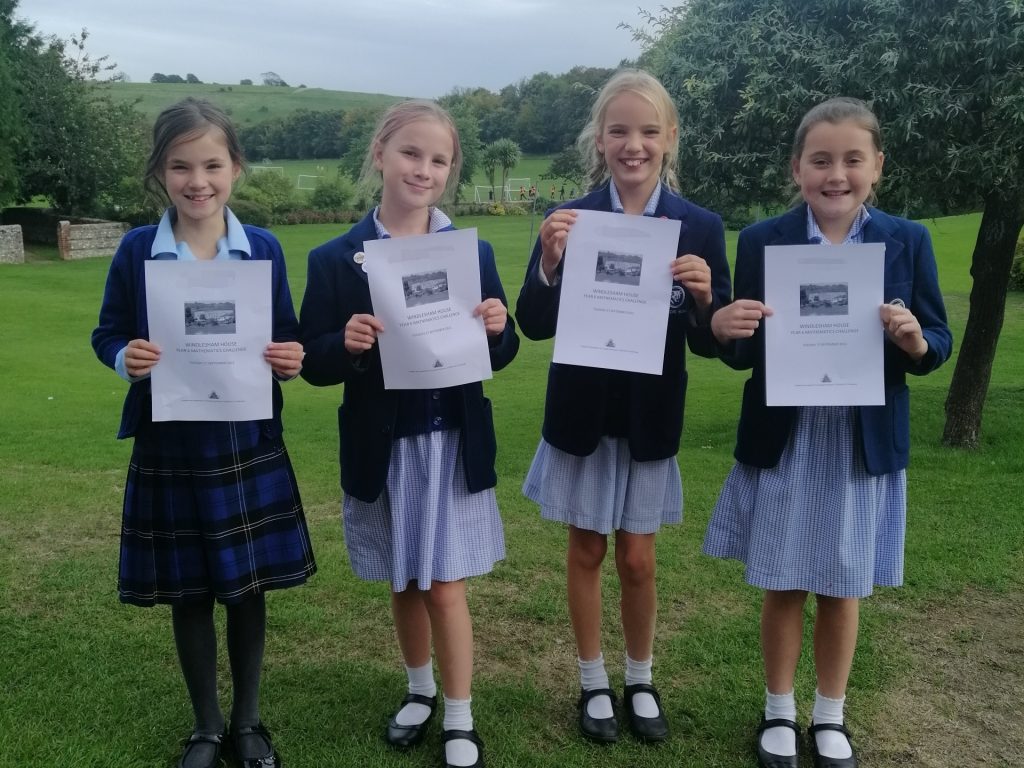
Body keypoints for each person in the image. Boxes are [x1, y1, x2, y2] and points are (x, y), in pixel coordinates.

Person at [704, 97, 952, 768]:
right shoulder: (762, 240)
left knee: (844, 583)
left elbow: (938, 339)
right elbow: (744, 348)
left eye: (851, 159)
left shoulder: (907, 240)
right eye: (820, 160)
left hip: (860, 441)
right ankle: (779, 710)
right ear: (797, 168)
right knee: (783, 579)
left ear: (877, 165)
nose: (835, 174)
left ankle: (830, 715)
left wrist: (915, 340)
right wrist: (725, 329)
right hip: (788, 435)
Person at [91, 97, 316, 768]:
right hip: (171, 444)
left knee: (245, 589)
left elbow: (287, 336)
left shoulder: (263, 248)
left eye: (212, 165)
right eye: (181, 166)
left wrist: (292, 358)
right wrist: (122, 357)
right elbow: (108, 332)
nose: (198, 181)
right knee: (189, 591)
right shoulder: (138, 250)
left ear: (236, 168)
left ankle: (249, 724)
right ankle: (206, 727)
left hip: (245, 442)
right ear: (161, 172)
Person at [298, 100, 519, 768]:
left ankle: (459, 716)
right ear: (380, 155)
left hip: (449, 439)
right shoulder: (338, 258)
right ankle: (418, 689)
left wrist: (496, 325)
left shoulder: (468, 251)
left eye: (439, 159)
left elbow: (501, 351)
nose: (424, 169)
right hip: (382, 442)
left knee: (444, 583)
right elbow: (312, 359)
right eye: (411, 154)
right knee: (404, 578)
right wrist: (349, 342)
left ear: (450, 171)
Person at [515, 69, 730, 745]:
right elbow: (534, 322)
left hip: (649, 416)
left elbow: (712, 339)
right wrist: (549, 262)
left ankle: (640, 677)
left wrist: (704, 298)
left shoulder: (698, 225)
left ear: (668, 138)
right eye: (618, 131)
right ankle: (592, 683)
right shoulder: (571, 219)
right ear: (599, 140)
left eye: (647, 131)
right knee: (585, 549)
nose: (632, 145)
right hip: (582, 411)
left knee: (638, 557)